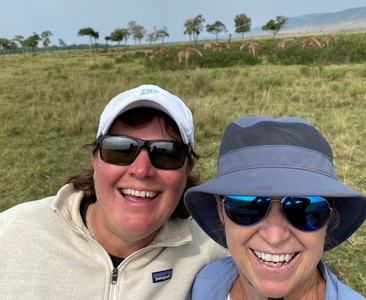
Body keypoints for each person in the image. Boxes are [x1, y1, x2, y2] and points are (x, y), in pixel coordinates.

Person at [0, 84, 227, 299]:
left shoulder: (215, 250)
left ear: (187, 170)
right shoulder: (11, 235)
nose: (141, 170)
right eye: (120, 148)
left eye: (166, 153)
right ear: (95, 162)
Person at [184, 116, 366, 300]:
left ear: (329, 215)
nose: (275, 237)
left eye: (305, 209)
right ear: (220, 209)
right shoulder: (203, 285)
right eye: (247, 205)